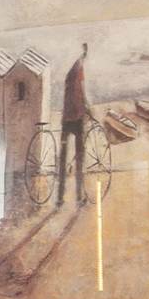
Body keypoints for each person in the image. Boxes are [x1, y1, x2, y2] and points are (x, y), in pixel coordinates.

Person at [56, 44, 92, 206]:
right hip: (77, 119)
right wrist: (89, 109)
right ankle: (78, 197)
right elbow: (82, 94)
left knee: (63, 159)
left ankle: (59, 198)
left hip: (66, 120)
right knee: (79, 158)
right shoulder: (79, 70)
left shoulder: (69, 76)